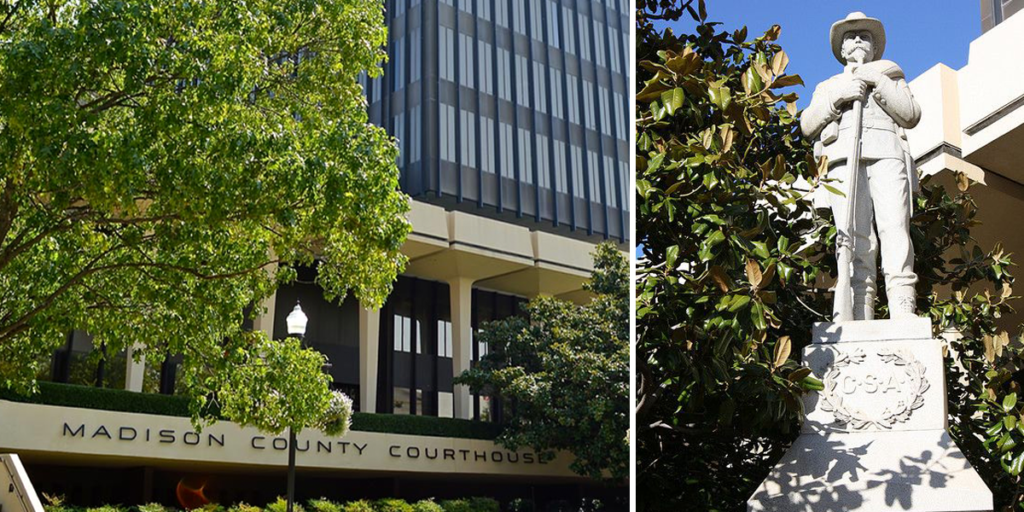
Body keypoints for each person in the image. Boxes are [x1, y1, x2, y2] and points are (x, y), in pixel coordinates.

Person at [801, 12, 922, 320]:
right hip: (843, 159)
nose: (857, 40)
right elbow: (807, 124)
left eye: (864, 36)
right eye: (850, 37)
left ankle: (902, 307)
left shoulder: (891, 76)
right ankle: (858, 311)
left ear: (874, 47)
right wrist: (837, 98)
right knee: (854, 238)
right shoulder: (829, 85)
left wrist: (877, 81)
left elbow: (910, 114)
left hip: (887, 154)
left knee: (895, 228)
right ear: (841, 50)